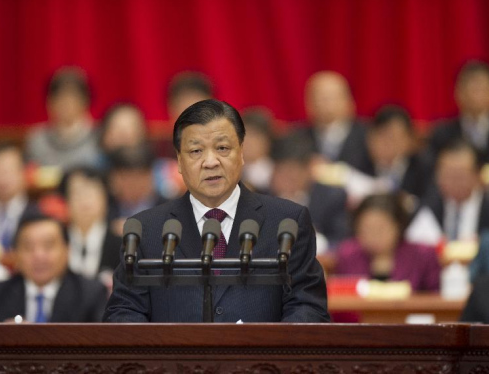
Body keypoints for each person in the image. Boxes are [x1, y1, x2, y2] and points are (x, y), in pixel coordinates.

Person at [104, 99, 330, 323]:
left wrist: (268, 352)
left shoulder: (287, 222)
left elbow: (307, 306)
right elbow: (123, 312)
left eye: (222, 148)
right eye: (196, 151)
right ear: (179, 162)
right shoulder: (146, 230)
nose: (210, 162)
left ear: (241, 153)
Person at [0, 213, 108, 322]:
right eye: (28, 247)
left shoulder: (91, 295)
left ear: (67, 251)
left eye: (48, 246)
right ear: (15, 255)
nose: (38, 255)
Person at [336, 194, 441, 292]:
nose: (373, 235)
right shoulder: (348, 255)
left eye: (380, 229)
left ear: (398, 226)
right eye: (366, 229)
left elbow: (435, 299)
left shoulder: (423, 255)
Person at [270, 135, 349, 250]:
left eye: (291, 172)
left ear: (308, 170)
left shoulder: (332, 197)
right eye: (280, 172)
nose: (285, 179)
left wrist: (315, 238)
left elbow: (341, 242)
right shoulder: (260, 196)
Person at [406, 139, 489, 246]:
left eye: (460, 176)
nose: (453, 182)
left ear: (477, 176)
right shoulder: (427, 208)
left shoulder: (487, 208)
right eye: (447, 175)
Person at [25, 67, 100, 171]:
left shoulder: (97, 137)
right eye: (59, 97)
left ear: (85, 101)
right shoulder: (37, 138)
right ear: (49, 102)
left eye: (72, 97)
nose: (65, 104)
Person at [295, 71, 371, 173]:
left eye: (332, 97)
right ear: (308, 102)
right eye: (321, 97)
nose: (327, 103)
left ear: (349, 101)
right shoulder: (296, 137)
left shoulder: (369, 135)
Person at [60, 167, 121, 291]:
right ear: (66, 200)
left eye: (91, 192)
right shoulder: (58, 241)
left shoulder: (121, 245)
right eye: (77, 193)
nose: (84, 200)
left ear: (105, 198)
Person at [362, 105, 432, 199]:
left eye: (394, 138)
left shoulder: (424, 169)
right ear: (370, 138)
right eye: (383, 136)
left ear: (409, 140)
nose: (387, 143)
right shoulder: (359, 165)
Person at [429, 61, 489, 164]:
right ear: (458, 93)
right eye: (474, 89)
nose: (477, 95)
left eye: (483, 88)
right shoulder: (442, 134)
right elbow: (431, 172)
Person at [241, 107, 275, 194]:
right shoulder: (231, 172)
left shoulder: (276, 173)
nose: (247, 141)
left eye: (254, 135)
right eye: (243, 135)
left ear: (267, 140)